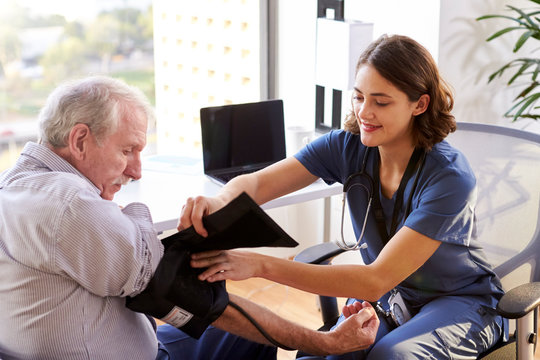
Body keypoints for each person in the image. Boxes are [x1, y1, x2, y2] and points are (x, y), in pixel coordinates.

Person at [0, 75, 378, 360]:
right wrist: (329, 342)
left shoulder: (16, 185)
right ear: (80, 140)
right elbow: (199, 303)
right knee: (243, 331)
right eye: (128, 150)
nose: (136, 172)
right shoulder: (71, 207)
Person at [179, 34, 507, 359]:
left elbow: (374, 280)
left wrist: (260, 265)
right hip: (393, 299)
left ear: (419, 104)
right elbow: (255, 184)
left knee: (391, 356)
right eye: (359, 97)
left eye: (381, 102)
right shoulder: (346, 147)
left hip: (461, 304)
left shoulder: (450, 177)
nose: (365, 112)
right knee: (325, 353)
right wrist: (219, 203)